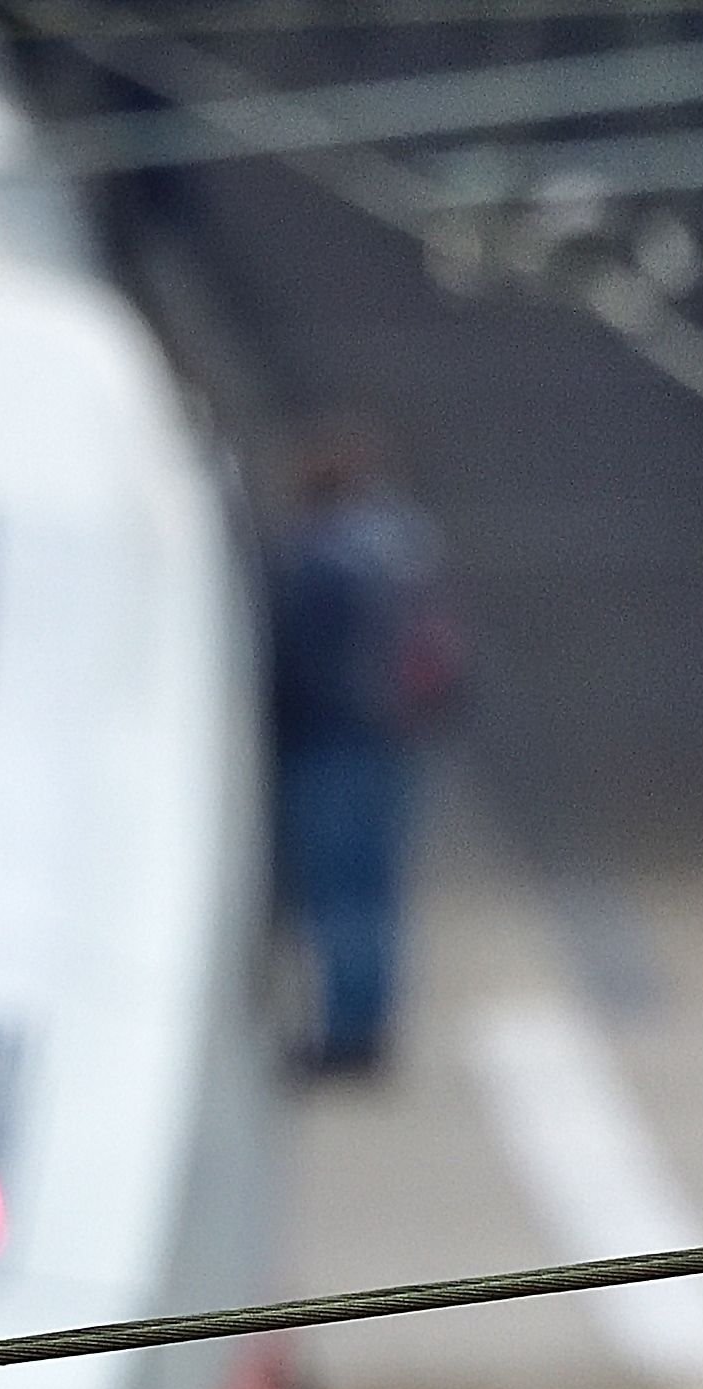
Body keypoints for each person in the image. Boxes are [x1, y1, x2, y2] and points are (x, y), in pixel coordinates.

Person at [261, 420, 462, 1080]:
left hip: (331, 741)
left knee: (338, 894)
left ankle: (347, 1032)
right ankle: (372, 1022)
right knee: (379, 889)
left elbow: (299, 663)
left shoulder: (321, 558)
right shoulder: (403, 545)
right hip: (395, 738)